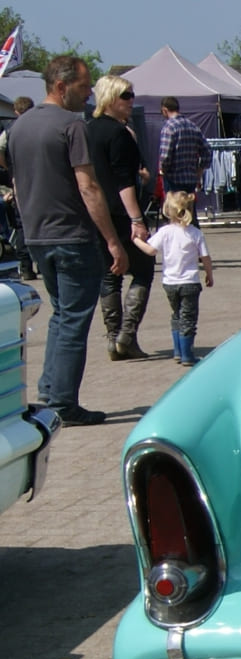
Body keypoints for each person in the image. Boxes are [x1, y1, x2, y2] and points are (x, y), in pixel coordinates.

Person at [7, 55, 128, 426]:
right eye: (83, 85)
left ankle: (49, 389)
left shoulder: (19, 127)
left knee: (62, 314)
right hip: (72, 235)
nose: (89, 92)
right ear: (61, 86)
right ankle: (62, 401)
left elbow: (17, 182)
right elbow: (88, 187)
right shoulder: (72, 126)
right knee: (74, 318)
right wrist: (113, 240)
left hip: (37, 236)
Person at [86, 75, 152, 361]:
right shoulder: (118, 134)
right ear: (111, 97)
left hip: (96, 212)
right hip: (120, 212)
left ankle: (115, 339)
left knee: (109, 274)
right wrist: (137, 218)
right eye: (125, 95)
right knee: (143, 269)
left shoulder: (87, 130)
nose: (131, 100)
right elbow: (123, 181)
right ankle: (126, 335)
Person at [133, 189, 211, 365]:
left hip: (169, 282)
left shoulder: (165, 231)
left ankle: (177, 351)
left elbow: (151, 250)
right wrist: (209, 273)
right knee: (188, 318)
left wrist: (136, 241)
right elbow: (205, 257)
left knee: (176, 315)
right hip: (190, 281)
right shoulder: (196, 233)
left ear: (167, 211)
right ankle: (187, 355)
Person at [157, 96, 209, 224]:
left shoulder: (169, 127)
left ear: (165, 110)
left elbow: (165, 155)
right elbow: (207, 151)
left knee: (174, 216)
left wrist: (163, 169)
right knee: (190, 214)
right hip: (190, 178)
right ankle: (194, 240)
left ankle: (176, 242)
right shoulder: (193, 126)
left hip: (173, 178)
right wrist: (200, 170)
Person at [0, 95, 36, 279]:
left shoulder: (9, 130)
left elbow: (0, 152)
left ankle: (26, 266)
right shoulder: (41, 126)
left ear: (15, 111)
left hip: (18, 180)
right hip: (41, 180)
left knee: (21, 225)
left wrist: (9, 169)